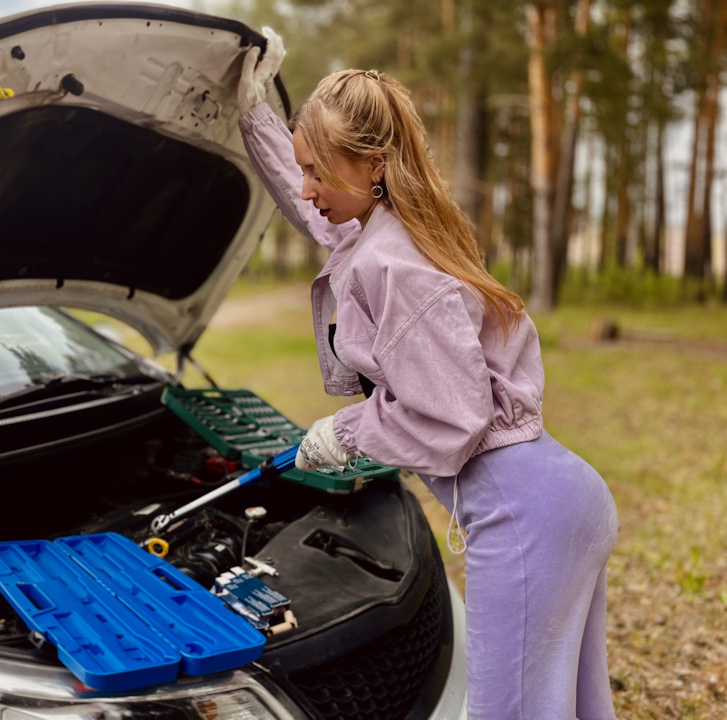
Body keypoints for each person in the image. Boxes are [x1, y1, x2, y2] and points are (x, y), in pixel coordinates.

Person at [236, 29, 619, 720]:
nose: (308, 190)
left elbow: (454, 416)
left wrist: (343, 432)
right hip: (561, 499)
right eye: (303, 169)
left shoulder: (399, 268)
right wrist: (249, 107)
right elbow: (312, 211)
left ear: (373, 164)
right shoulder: (386, 225)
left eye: (318, 172)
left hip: (523, 513)